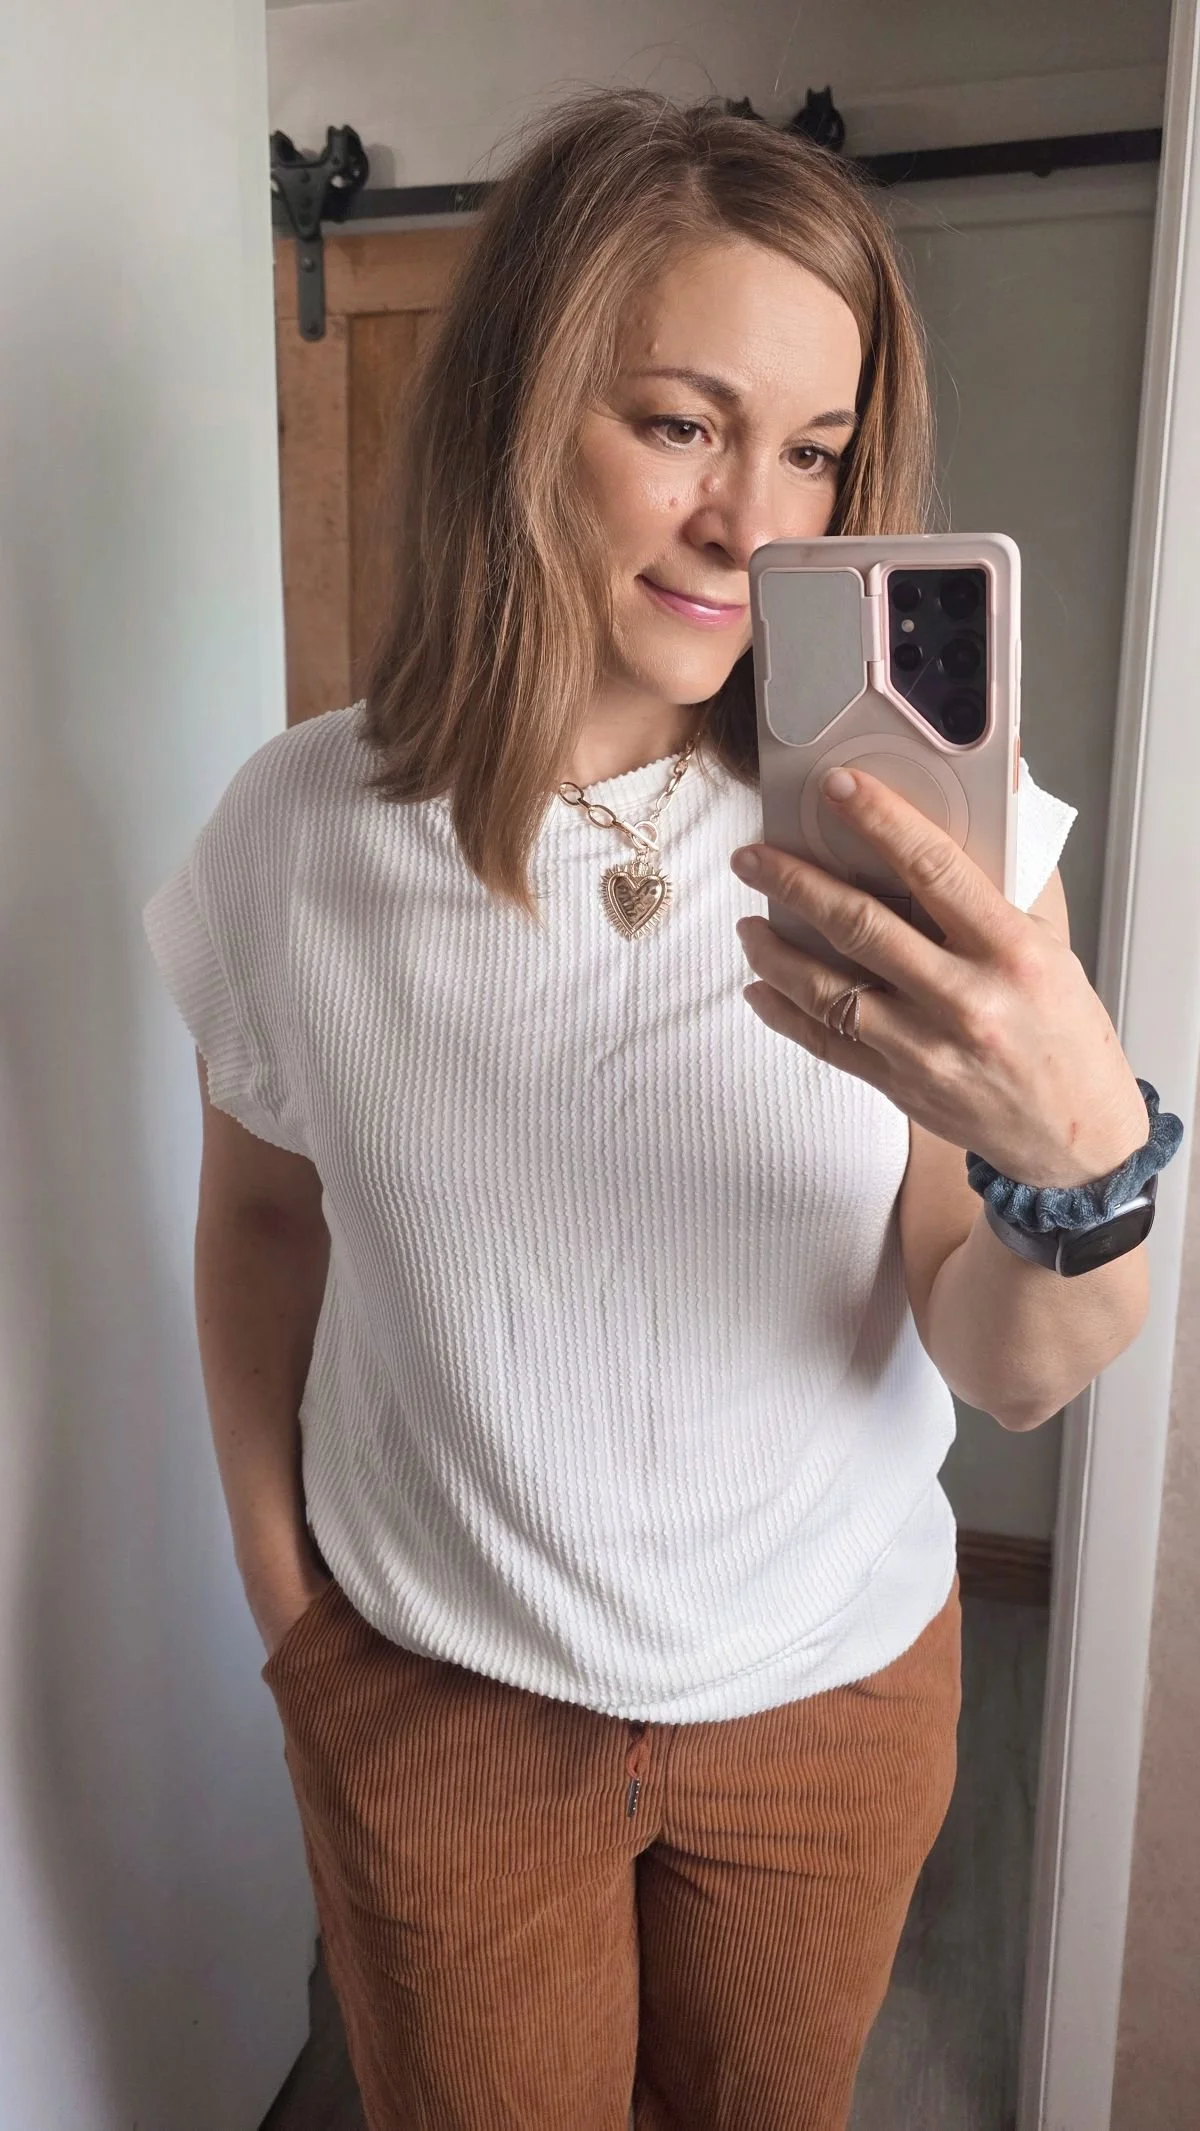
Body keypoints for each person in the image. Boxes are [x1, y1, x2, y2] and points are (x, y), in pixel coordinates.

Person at [143, 87, 1172, 2131]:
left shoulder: (930, 851)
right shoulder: (301, 834)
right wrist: (302, 1640)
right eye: (683, 424)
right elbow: (265, 1224)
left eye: (812, 451)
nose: (753, 525)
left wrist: (1081, 1171)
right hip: (435, 1702)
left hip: (828, 1706)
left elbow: (1013, 1366)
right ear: (525, 411)